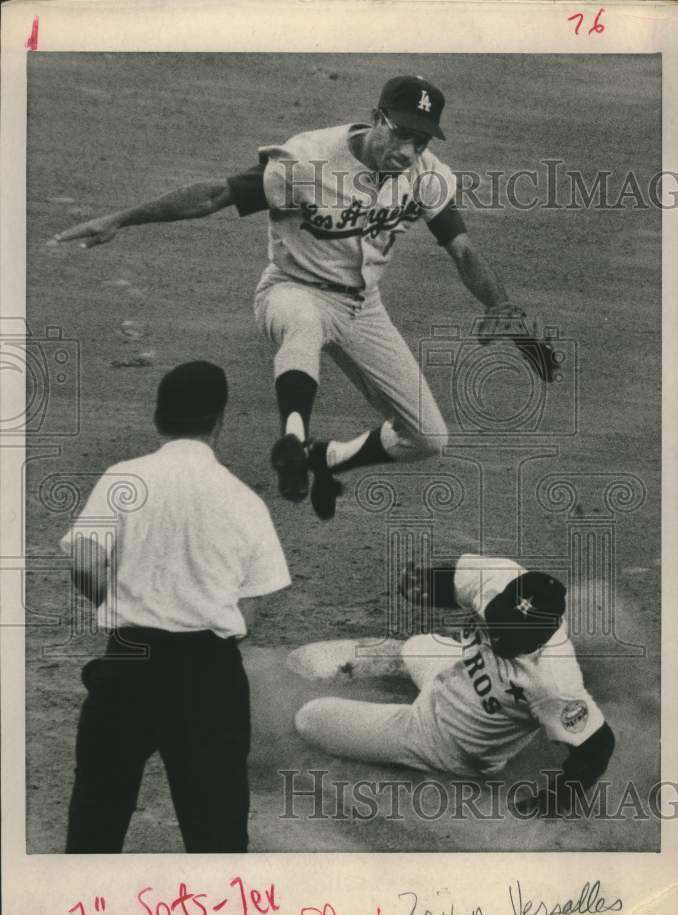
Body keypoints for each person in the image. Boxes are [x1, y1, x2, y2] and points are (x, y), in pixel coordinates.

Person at [55, 75, 559, 520]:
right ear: (376, 118)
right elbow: (216, 195)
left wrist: (503, 311)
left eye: (421, 140)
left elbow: (462, 249)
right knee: (302, 323)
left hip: (363, 308)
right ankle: (292, 439)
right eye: (401, 134)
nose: (408, 151)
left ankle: (324, 459)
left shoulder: (426, 176)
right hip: (291, 289)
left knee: (428, 438)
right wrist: (122, 219)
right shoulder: (308, 160)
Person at [60, 361, 291, 852]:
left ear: (158, 418)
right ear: (219, 422)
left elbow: (84, 563)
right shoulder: (245, 500)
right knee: (217, 838)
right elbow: (250, 610)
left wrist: (117, 607)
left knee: (95, 826)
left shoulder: (122, 478)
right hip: (209, 673)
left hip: (129, 659)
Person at [294, 554, 615, 815]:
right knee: (417, 646)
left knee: (309, 718)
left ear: (543, 636)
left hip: (443, 743)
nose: (498, 637)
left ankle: (407, 728)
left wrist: (556, 800)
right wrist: (426, 586)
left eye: (511, 637)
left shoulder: (554, 682)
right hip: (456, 674)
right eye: (498, 624)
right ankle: (408, 661)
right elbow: (450, 581)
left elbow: (597, 747)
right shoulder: (499, 576)